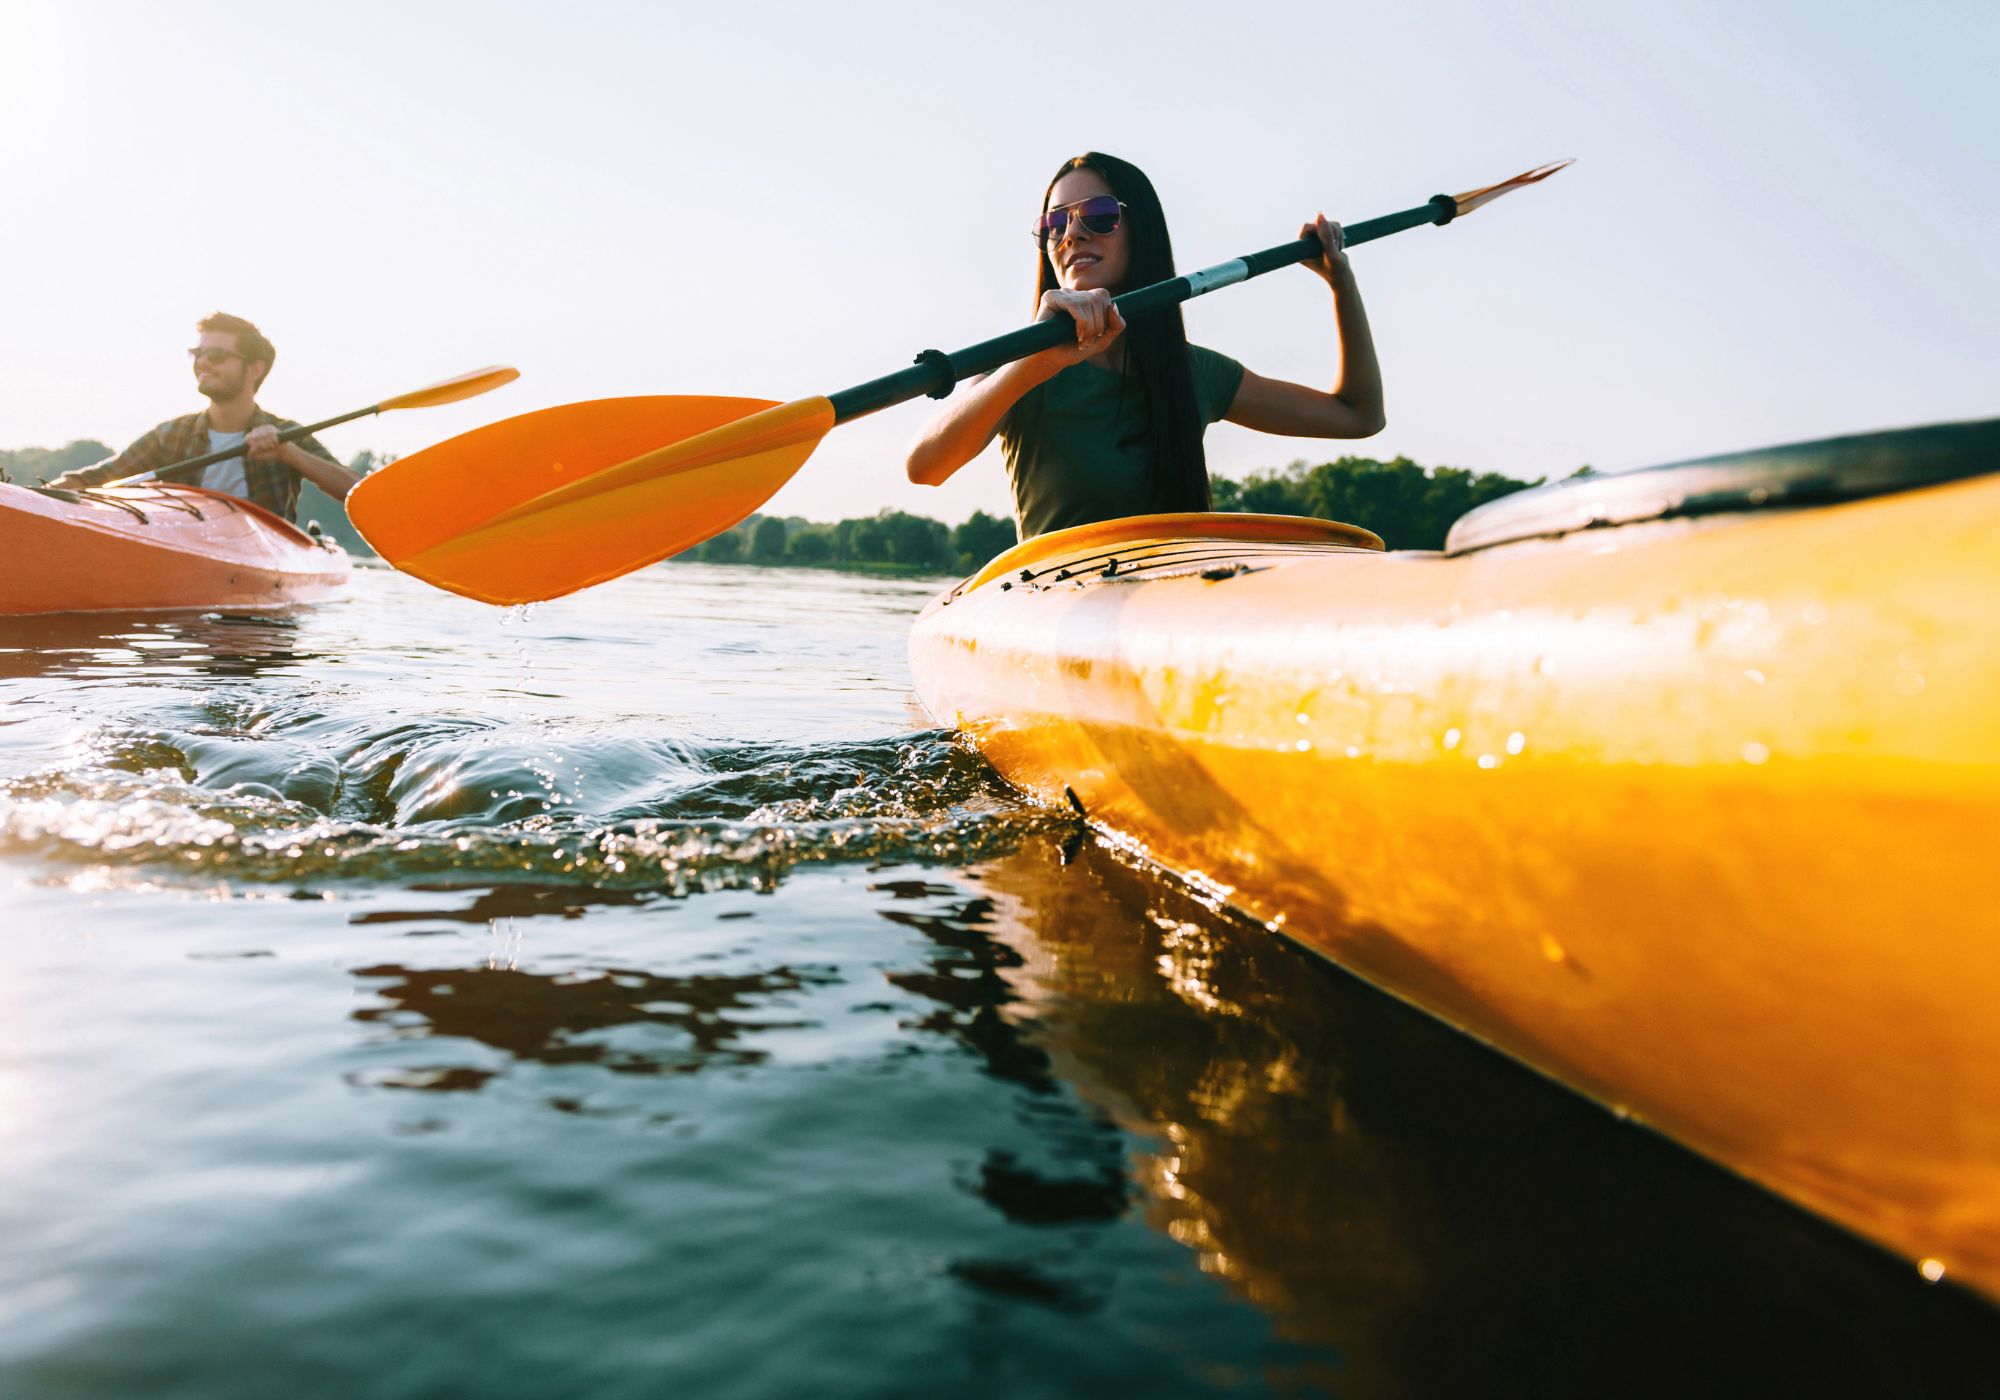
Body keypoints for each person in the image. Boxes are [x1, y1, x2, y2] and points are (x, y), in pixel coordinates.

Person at [906, 152, 1386, 539]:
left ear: (1142, 233)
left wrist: (1341, 284)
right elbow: (925, 466)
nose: (1071, 233)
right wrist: (1035, 363)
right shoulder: (1017, 366)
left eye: (1098, 216)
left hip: (1170, 599)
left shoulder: (1193, 372)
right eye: (1055, 224)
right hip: (1055, 601)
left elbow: (1359, 417)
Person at [49, 312, 360, 521]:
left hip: (264, 561)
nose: (202, 364)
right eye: (197, 354)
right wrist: (46, 492)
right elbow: (98, 479)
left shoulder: (286, 433)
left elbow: (354, 491)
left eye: (217, 356)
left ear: (255, 368)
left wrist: (287, 452)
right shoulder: (170, 435)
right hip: (187, 549)